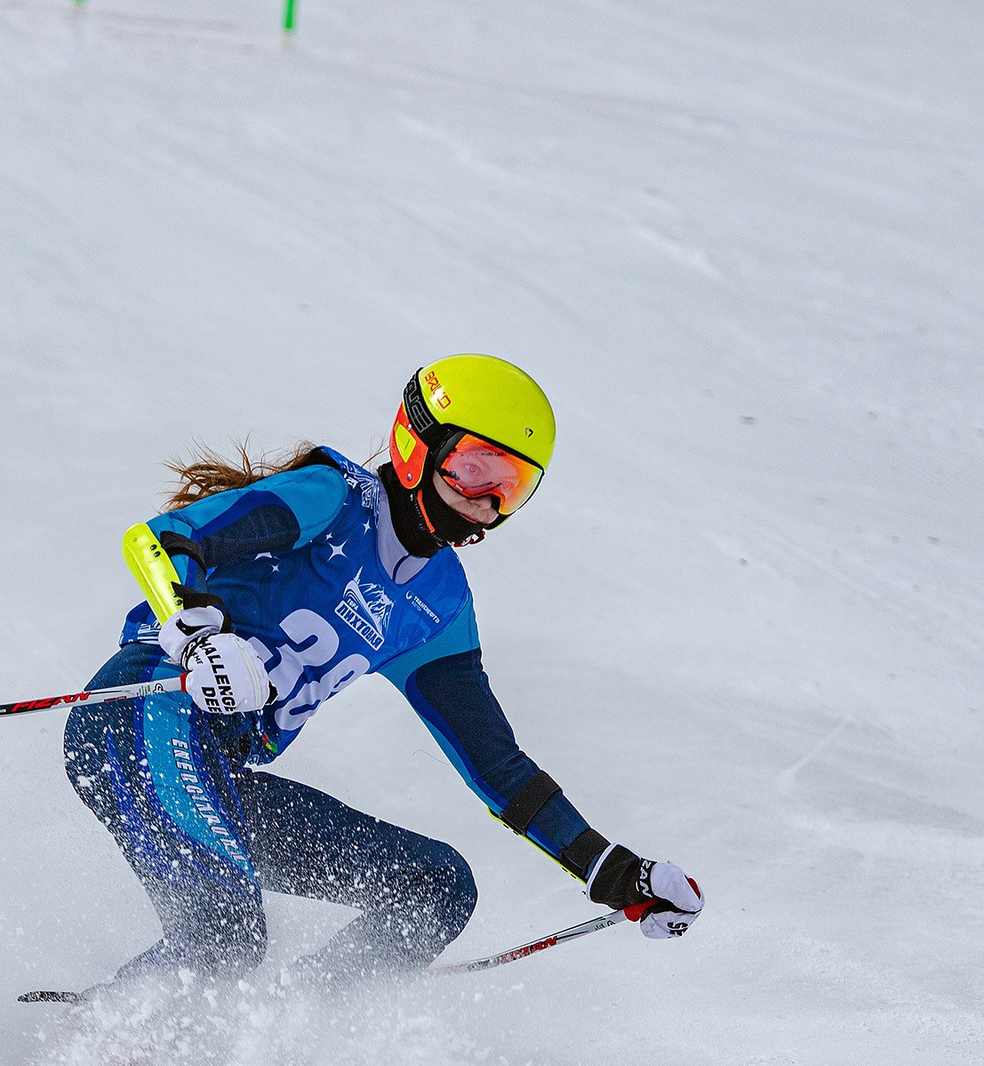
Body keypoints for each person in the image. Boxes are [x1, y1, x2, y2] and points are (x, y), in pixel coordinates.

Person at [61, 355, 701, 991]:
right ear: (416, 443)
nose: (484, 499)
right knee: (224, 931)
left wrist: (614, 871)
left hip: (218, 772)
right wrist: (201, 638)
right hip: (139, 718)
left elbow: (498, 766)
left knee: (434, 889)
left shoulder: (438, 606)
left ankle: (284, 1037)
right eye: (473, 466)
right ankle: (89, 1057)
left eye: (510, 485)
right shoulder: (332, 501)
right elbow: (163, 540)